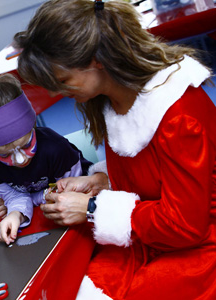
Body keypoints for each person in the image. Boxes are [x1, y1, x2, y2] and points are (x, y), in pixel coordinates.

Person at [13, 0, 216, 299]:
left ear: (96, 59)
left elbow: (186, 226)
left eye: (63, 80)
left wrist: (93, 209)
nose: (58, 93)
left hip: (199, 243)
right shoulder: (111, 98)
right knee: (72, 287)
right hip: (149, 233)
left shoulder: (178, 113)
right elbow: (155, 172)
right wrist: (101, 181)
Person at [0, 73, 96, 244]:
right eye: (5, 154)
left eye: (26, 145)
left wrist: (21, 202)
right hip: (45, 213)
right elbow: (13, 197)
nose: (21, 160)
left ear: (33, 125)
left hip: (84, 203)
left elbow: (68, 196)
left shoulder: (55, 147)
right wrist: (15, 214)